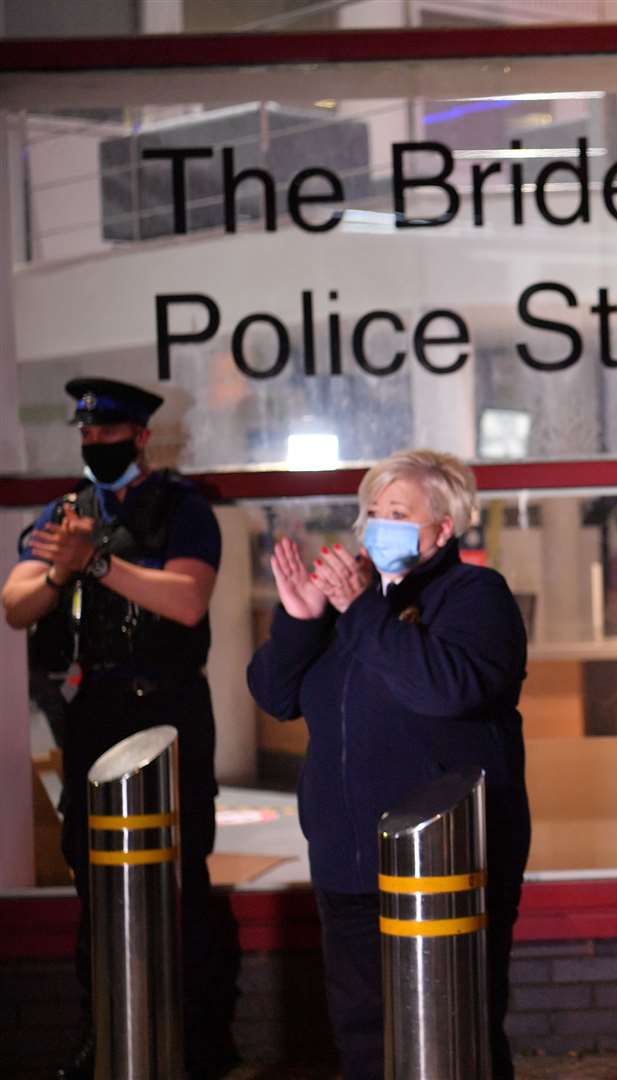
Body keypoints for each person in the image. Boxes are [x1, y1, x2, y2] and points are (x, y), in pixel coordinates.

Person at [246, 449, 531, 1080]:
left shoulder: (475, 596)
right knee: (365, 1040)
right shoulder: (349, 604)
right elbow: (275, 694)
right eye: (372, 511)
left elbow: (446, 689)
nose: (378, 525)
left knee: (458, 1036)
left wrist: (362, 611)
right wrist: (298, 622)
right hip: (349, 863)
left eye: (398, 512)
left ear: (442, 529)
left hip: (447, 868)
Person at [1, 377, 240, 1080]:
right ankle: (100, 1032)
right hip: (94, 707)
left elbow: (188, 600)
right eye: (85, 435)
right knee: (92, 877)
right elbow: (16, 604)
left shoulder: (183, 509)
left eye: (107, 435)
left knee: (180, 873)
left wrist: (95, 564)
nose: (94, 445)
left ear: (140, 436)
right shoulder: (66, 511)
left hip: (167, 709)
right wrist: (59, 574)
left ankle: (198, 1040)